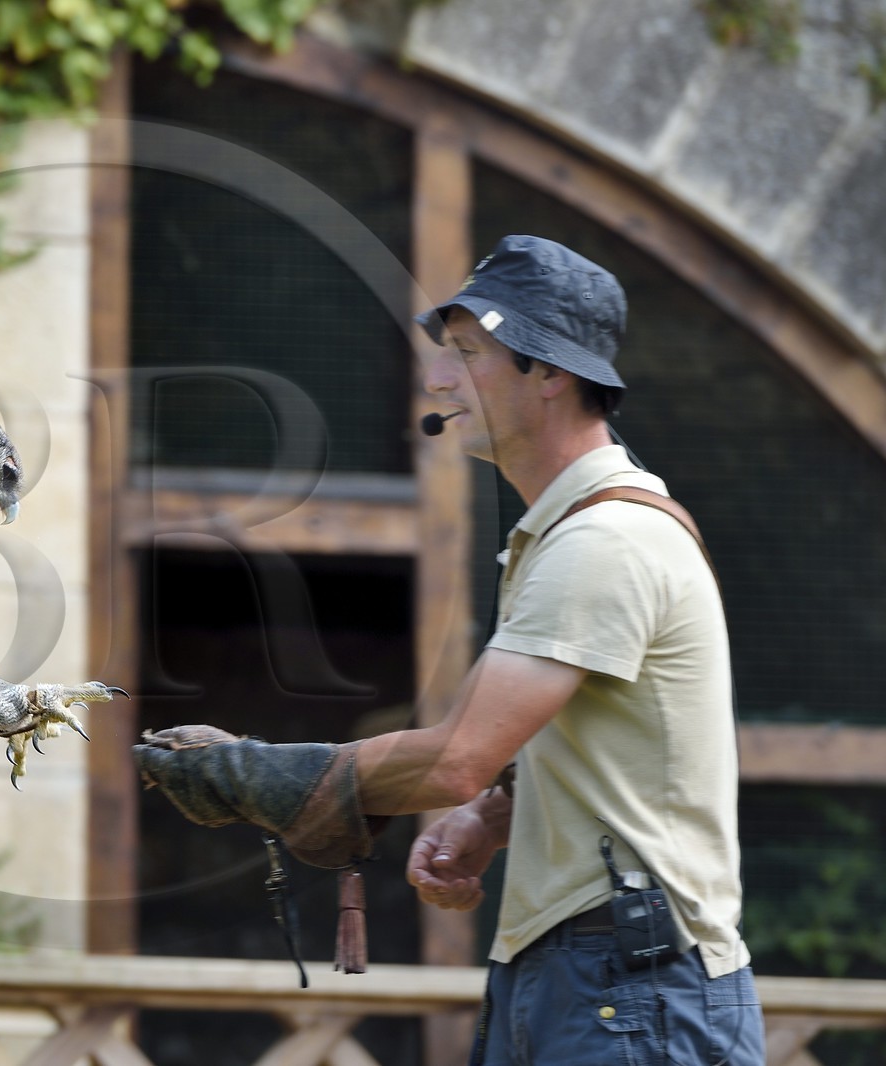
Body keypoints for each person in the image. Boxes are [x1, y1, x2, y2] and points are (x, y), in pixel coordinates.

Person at [133, 235, 764, 1065]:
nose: (437, 377)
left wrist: (263, 776)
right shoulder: (565, 536)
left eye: (468, 353)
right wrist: (495, 819)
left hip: (632, 982)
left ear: (551, 372)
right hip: (582, 969)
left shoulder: (608, 541)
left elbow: (458, 757)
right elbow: (593, 759)